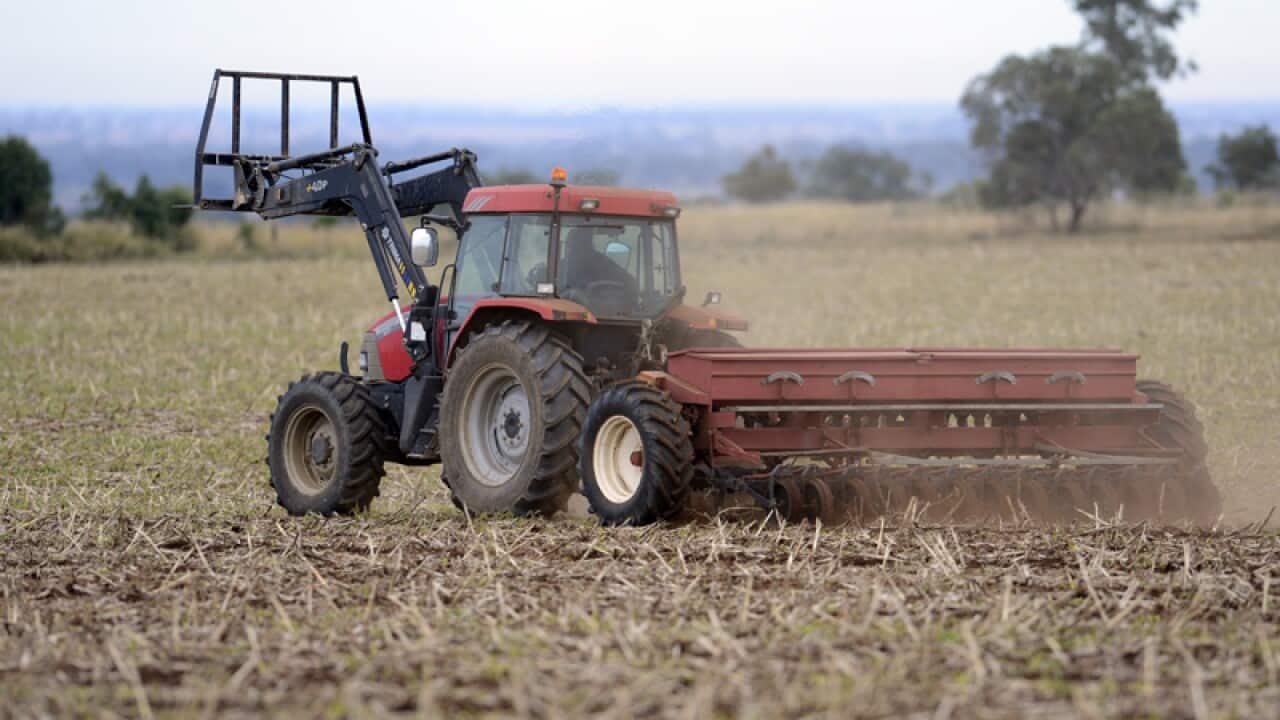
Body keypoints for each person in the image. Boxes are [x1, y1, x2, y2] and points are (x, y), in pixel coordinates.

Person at [558, 227, 637, 302]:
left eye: (582, 243)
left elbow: (630, 283)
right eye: (575, 245)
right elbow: (549, 292)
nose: (578, 248)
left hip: (604, 313)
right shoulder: (560, 268)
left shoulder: (604, 265)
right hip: (565, 312)